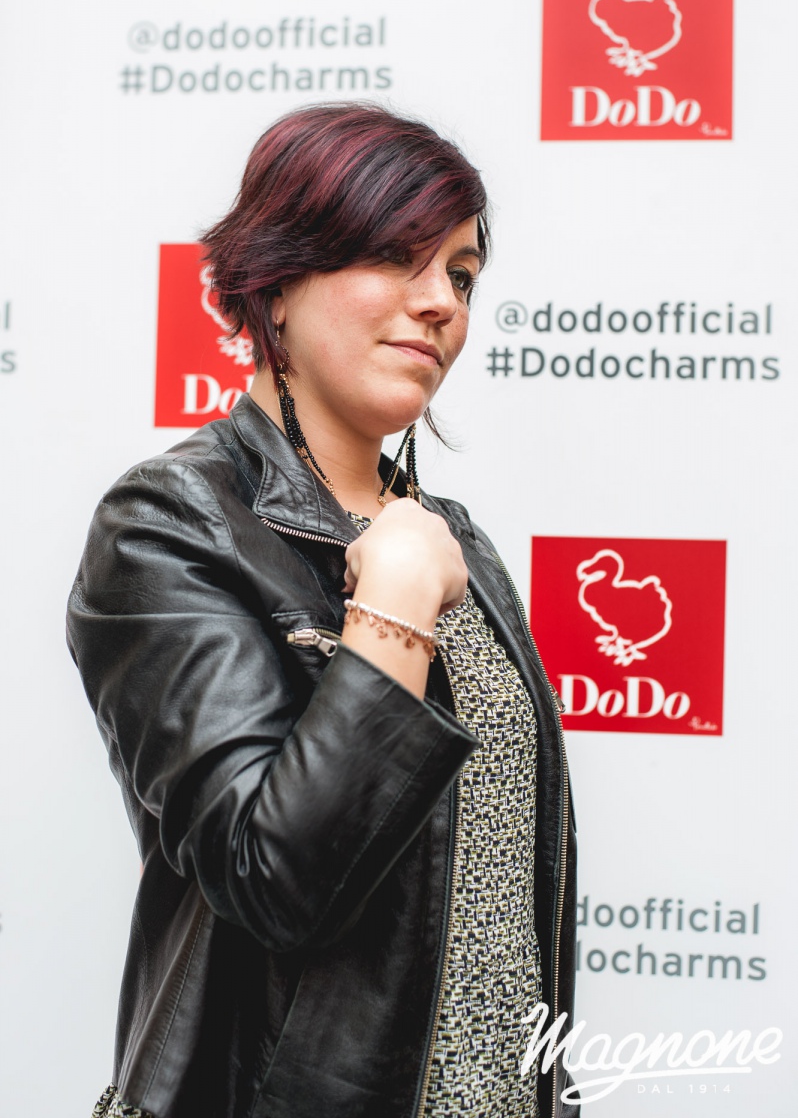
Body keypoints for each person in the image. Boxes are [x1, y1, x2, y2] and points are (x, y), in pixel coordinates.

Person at [67, 102, 578, 1118]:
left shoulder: (454, 540)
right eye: (395, 256)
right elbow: (275, 884)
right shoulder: (172, 523)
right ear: (276, 280)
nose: (439, 304)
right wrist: (391, 609)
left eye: (461, 275)